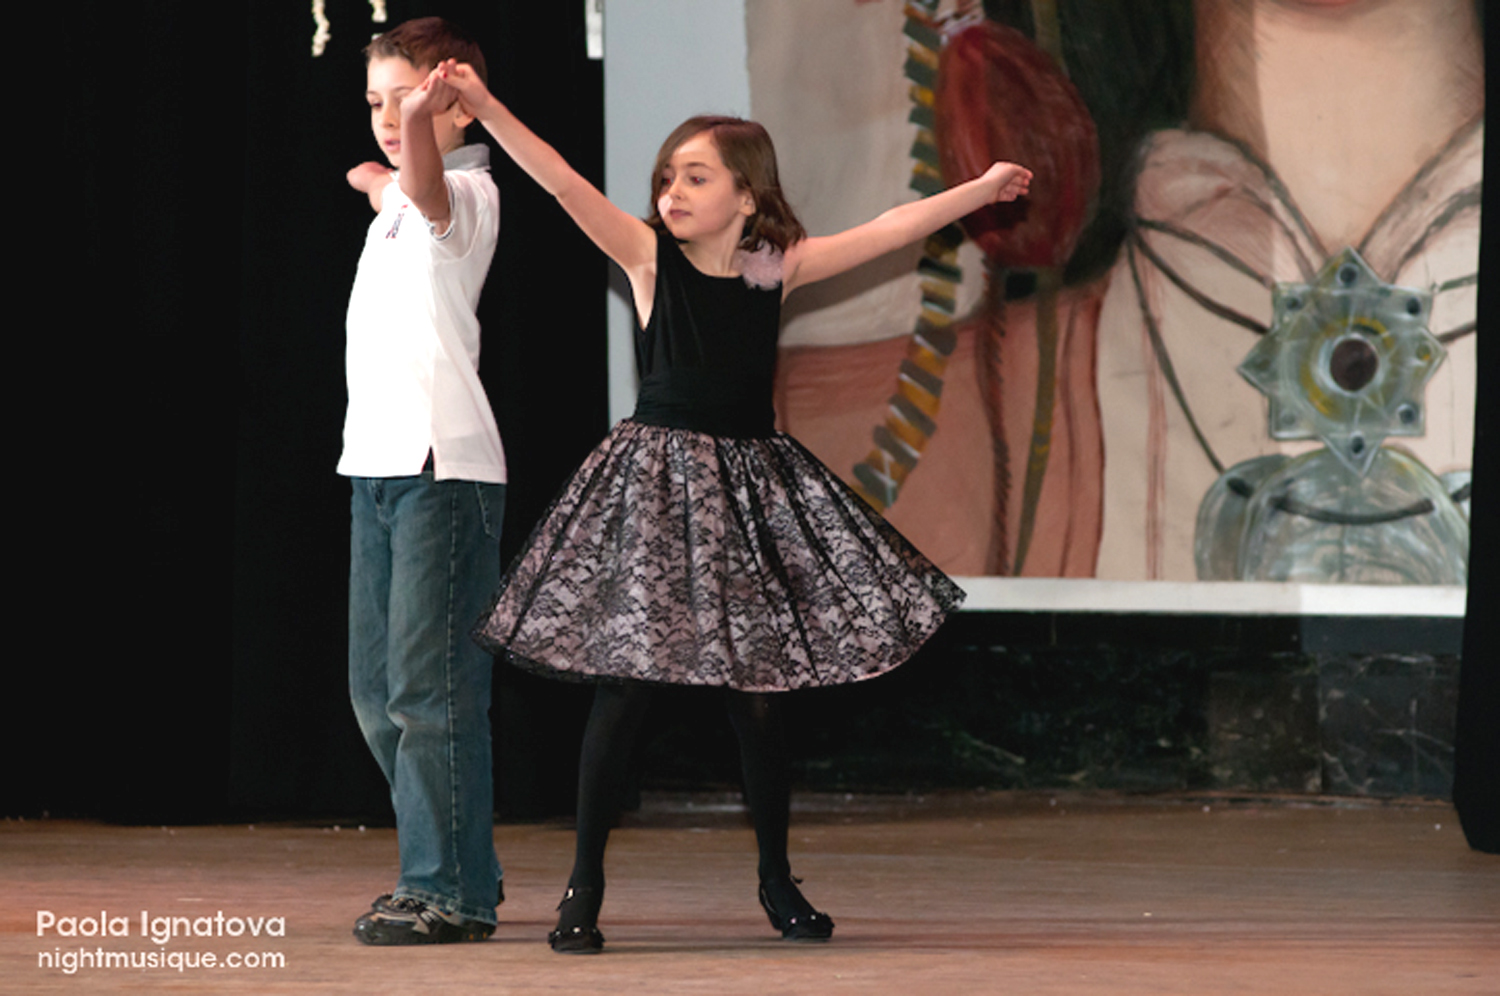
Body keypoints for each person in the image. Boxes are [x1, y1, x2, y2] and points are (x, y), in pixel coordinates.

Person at [442, 58, 1030, 954]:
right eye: (666, 178)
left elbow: (890, 228)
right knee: (626, 687)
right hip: (658, 485)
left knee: (759, 695)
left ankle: (776, 880)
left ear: (747, 197)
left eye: (695, 177)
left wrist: (980, 189)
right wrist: (485, 106)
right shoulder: (649, 259)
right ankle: (584, 887)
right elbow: (560, 180)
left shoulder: (770, 270)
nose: (671, 192)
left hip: (749, 488)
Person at [338, 19, 507, 945]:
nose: (387, 117)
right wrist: (373, 179)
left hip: (442, 469)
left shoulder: (467, 193)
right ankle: (462, 862)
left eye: (406, 99)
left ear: (456, 101)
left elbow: (421, 189)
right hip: (375, 469)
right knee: (376, 696)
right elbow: (390, 190)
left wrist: (399, 157)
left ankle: (446, 889)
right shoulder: (398, 200)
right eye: (375, 102)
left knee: (429, 695)